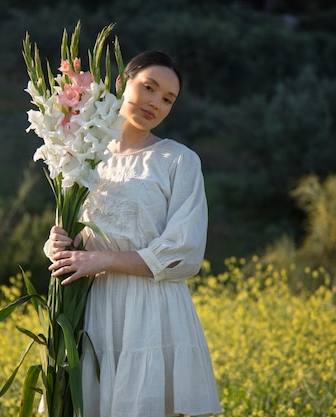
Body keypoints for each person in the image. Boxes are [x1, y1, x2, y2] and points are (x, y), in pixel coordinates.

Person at [45, 50, 223, 417]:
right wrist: (57, 245)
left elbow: (183, 254)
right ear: (121, 83)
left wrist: (100, 259)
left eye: (168, 99)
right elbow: (77, 234)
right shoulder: (82, 155)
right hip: (92, 312)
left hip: (152, 313)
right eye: (149, 88)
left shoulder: (178, 160)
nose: (156, 103)